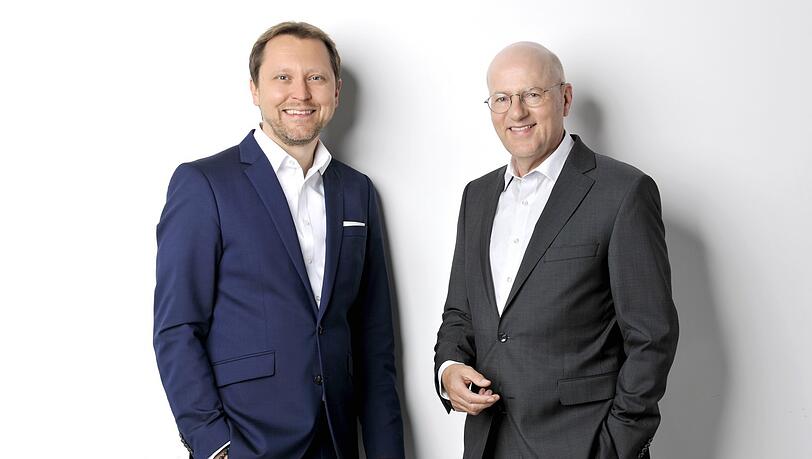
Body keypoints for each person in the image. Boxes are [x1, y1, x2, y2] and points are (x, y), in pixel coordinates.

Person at [154, 21, 404, 459]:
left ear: (336, 91)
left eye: (316, 78)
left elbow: (373, 340)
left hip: (336, 443)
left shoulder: (357, 191)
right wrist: (214, 445)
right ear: (255, 89)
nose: (300, 94)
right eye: (282, 77)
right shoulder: (204, 184)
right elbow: (177, 327)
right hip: (247, 443)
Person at [433, 42, 679, 459]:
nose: (516, 112)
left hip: (584, 443)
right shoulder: (477, 196)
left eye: (532, 94)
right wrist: (449, 368)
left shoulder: (623, 192)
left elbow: (652, 336)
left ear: (564, 98)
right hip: (489, 441)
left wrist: (615, 445)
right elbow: (460, 312)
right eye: (501, 99)